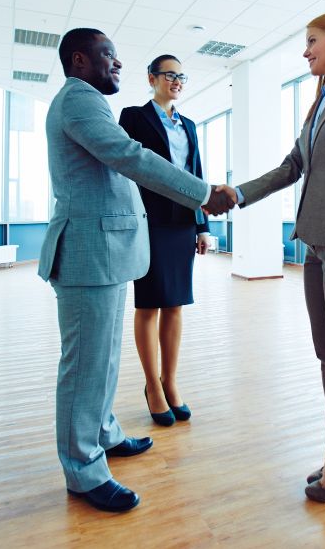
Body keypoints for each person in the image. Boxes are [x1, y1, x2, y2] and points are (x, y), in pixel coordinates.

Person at [38, 28, 233, 513]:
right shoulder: (80, 101)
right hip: (87, 251)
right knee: (84, 364)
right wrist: (202, 192)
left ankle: (102, 433)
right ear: (80, 60)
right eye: (109, 56)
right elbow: (130, 157)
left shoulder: (88, 100)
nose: (117, 64)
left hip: (104, 250)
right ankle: (82, 471)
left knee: (102, 357)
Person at [218, 10, 325, 504]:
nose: (305, 50)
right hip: (314, 244)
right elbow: (293, 166)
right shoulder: (320, 103)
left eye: (312, 40)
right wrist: (239, 193)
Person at [117, 55, 206, 427]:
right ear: (152, 78)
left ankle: (171, 381)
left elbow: (196, 173)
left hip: (182, 222)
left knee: (176, 304)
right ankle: (152, 384)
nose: (177, 81)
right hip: (149, 221)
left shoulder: (188, 124)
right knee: (150, 303)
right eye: (170, 75)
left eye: (181, 76)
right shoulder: (133, 117)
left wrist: (201, 225)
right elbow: (124, 168)